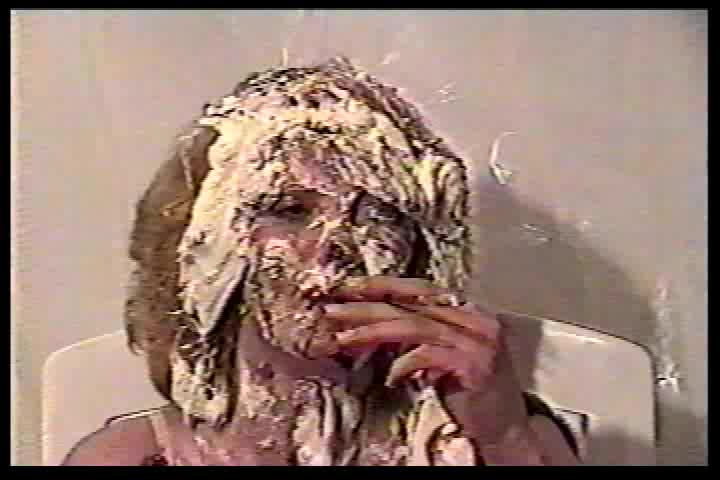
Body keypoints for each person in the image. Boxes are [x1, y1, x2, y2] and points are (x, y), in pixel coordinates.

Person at [62, 57, 580, 466]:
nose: (338, 243)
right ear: (204, 251)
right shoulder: (128, 457)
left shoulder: (500, 442)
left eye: (377, 213)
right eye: (289, 210)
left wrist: (503, 437)